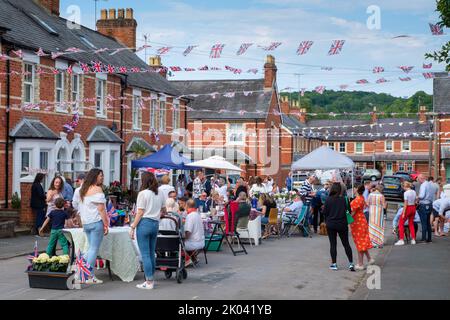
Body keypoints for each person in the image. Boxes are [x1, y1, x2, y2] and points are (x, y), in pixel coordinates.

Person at [129, 172, 164, 290]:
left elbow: (140, 212)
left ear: (143, 181)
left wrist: (133, 226)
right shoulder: (159, 193)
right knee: (151, 253)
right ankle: (150, 279)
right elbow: (164, 209)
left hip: (144, 223)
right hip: (155, 223)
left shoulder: (142, 194)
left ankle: (149, 281)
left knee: (145, 254)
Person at [78, 169, 109, 284]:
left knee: (91, 248)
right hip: (96, 222)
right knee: (93, 249)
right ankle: (88, 275)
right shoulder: (98, 189)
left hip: (86, 223)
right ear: (95, 176)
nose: (102, 177)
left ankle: (80, 264)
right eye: (101, 176)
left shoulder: (83, 189)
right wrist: (106, 223)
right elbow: (101, 209)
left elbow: (79, 207)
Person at [322, 182, 355, 271]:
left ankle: (334, 264)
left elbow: (324, 212)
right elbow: (348, 211)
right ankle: (351, 264)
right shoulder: (344, 199)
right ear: (340, 190)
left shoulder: (328, 199)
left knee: (333, 244)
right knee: (346, 244)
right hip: (342, 224)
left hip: (331, 224)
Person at [350, 185, 374, 270]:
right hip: (361, 220)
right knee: (362, 241)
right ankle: (369, 258)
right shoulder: (362, 197)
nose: (353, 189)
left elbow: (352, 213)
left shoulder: (356, 200)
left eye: (354, 188)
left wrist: (346, 219)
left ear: (356, 189)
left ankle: (360, 264)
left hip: (357, 222)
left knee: (359, 243)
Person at [394, 181, 417, 246]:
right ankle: (413, 239)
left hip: (408, 208)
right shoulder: (414, 191)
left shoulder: (406, 193)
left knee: (401, 223)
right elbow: (416, 200)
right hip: (413, 207)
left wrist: (403, 212)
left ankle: (401, 239)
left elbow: (405, 203)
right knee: (411, 224)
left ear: (404, 186)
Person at [417, 174, 437, 243]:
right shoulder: (430, 184)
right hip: (430, 204)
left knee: (423, 222)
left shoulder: (423, 185)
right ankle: (429, 239)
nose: (418, 180)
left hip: (423, 204)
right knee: (428, 222)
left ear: (421, 178)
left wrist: (417, 197)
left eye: (418, 179)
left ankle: (423, 239)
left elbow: (422, 196)